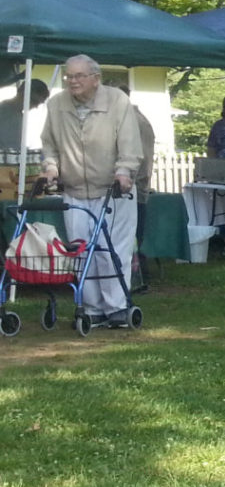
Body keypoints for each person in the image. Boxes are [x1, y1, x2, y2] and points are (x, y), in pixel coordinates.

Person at [39, 55, 142, 326]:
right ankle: (93, 308)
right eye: (69, 76)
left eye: (79, 76)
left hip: (112, 189)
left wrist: (124, 170)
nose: (72, 81)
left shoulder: (117, 101)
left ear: (96, 78)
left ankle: (117, 306)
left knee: (112, 251)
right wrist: (51, 167)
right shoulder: (56, 105)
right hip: (74, 190)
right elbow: (49, 144)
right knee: (81, 251)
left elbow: (129, 141)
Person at [0, 79, 48, 153]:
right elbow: (8, 146)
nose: (36, 106)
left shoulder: (18, 114)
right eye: (34, 101)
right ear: (22, 93)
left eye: (39, 104)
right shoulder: (4, 111)